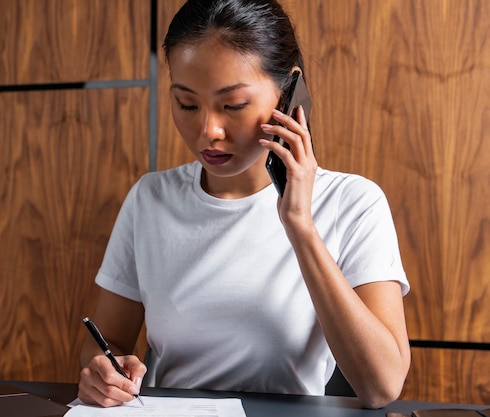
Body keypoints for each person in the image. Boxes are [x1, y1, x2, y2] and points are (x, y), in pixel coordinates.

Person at [79, 0, 410, 409]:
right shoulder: (151, 199)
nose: (208, 131)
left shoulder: (353, 203)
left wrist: (301, 226)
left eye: (233, 105)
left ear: (289, 93)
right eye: (187, 104)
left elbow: (382, 385)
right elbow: (106, 343)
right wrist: (102, 373)